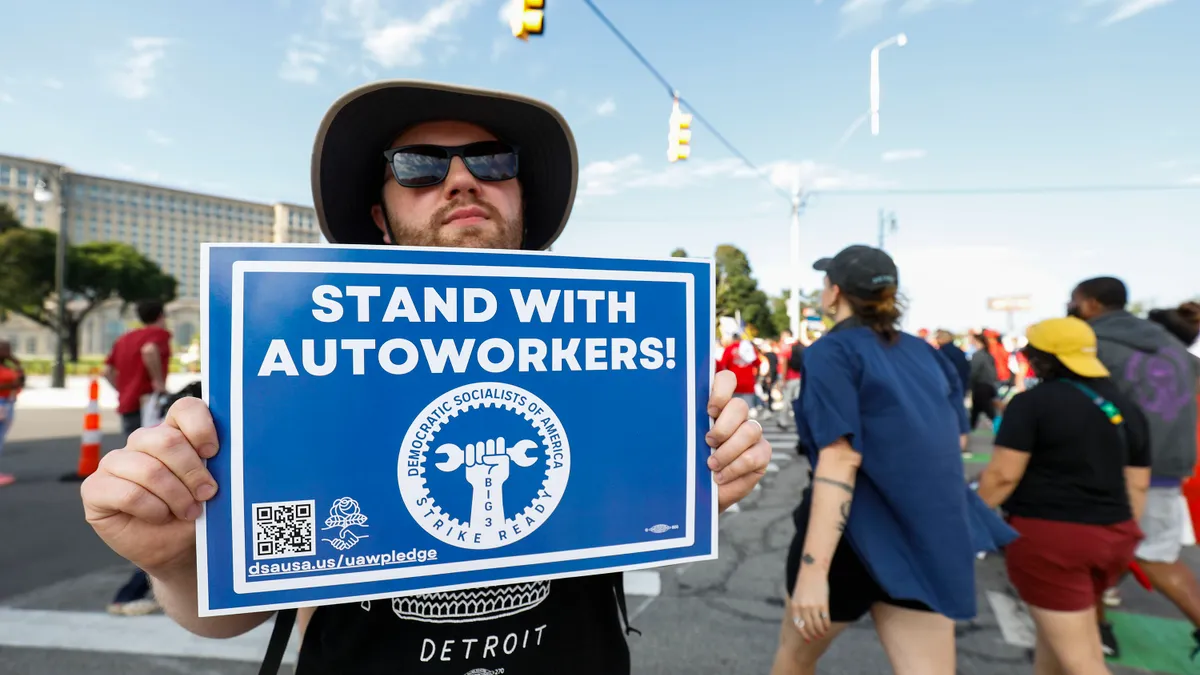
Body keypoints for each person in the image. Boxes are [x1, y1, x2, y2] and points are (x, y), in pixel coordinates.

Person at [80, 80, 772, 675]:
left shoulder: (612, 351)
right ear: (380, 216)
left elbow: (638, 514)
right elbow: (234, 615)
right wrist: (175, 560)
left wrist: (694, 489)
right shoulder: (273, 378)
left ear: (521, 199)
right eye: (418, 166)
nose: (462, 180)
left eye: (492, 161)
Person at [771, 245, 985, 675]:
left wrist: (814, 573)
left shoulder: (831, 352)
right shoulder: (926, 353)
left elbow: (838, 458)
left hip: (850, 538)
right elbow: (955, 437)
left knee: (794, 661)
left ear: (834, 293)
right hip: (922, 532)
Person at [976, 317, 1150, 674]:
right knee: (1055, 645)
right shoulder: (1127, 408)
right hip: (1115, 535)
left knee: (1083, 662)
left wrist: (966, 520)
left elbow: (1003, 476)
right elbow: (1138, 485)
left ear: (1040, 358)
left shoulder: (1031, 404)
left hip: (1051, 541)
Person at [1070, 278, 1200, 658]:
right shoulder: (1169, 344)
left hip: (1113, 464)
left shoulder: (1091, 342)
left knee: (1091, 558)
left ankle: (1097, 634)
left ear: (1091, 304)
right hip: (1167, 465)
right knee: (1154, 554)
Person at [101, 299, 172, 615]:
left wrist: (123, 390)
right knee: (162, 485)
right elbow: (149, 353)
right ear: (160, 315)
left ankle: (137, 587)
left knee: (142, 479)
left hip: (129, 408)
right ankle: (136, 589)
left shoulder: (124, 338)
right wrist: (158, 382)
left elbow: (108, 371)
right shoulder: (156, 336)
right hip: (149, 407)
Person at [0, 340, 24, 487]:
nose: (7, 352)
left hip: (8, 402)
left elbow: (21, 380)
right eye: (4, 349)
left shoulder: (8, 367)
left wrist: (17, 363)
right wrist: (11, 385)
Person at [968, 332, 998, 430]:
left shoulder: (978, 355)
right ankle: (970, 427)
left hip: (981, 385)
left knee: (988, 410)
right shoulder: (988, 354)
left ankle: (1000, 426)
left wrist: (969, 385)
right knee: (977, 410)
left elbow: (974, 371)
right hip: (988, 385)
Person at [935, 329, 970, 395]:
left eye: (938, 337)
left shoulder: (942, 353)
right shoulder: (958, 351)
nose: (936, 340)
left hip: (949, 387)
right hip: (961, 385)